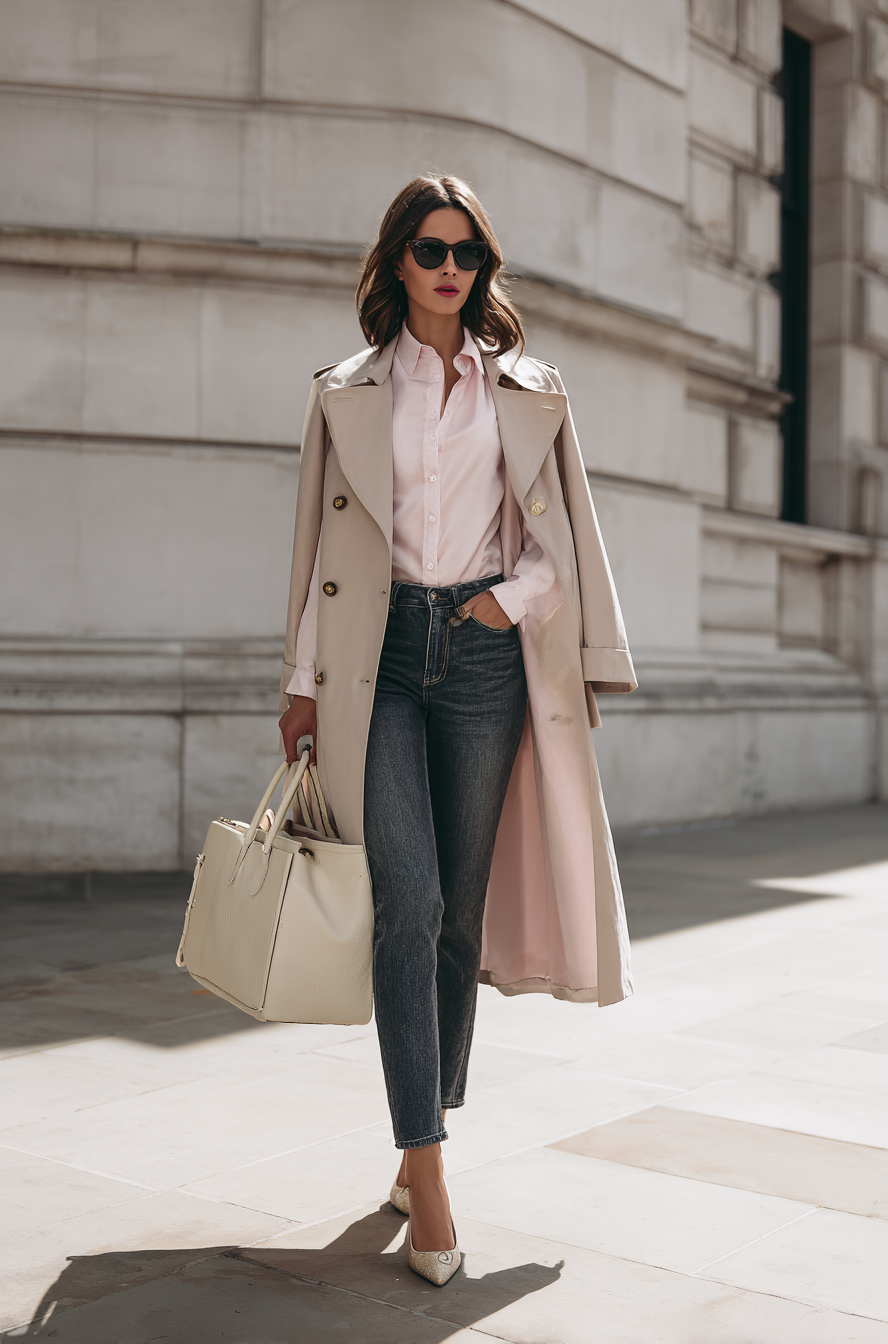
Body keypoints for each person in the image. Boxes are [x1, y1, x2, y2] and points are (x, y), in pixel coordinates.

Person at [277, 174, 637, 1285]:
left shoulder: (528, 391)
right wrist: (297, 683)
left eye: (467, 252)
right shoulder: (345, 391)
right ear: (394, 262)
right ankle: (424, 1163)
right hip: (374, 661)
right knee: (411, 897)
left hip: (480, 652)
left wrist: (507, 604)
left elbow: (558, 540)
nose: (448, 268)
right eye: (429, 249)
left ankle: (417, 1111)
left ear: (483, 268)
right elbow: (318, 556)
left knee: (456, 919)